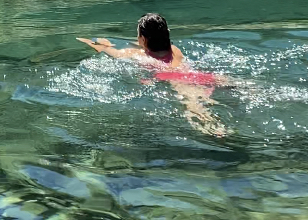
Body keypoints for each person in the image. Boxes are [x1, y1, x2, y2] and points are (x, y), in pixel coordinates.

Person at [78, 13, 228, 137]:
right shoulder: (175, 50)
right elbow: (149, 43)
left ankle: (217, 132)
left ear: (142, 39)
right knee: (226, 87)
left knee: (195, 107)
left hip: (175, 79)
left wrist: (94, 42)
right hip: (198, 75)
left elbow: (112, 52)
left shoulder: (137, 55)